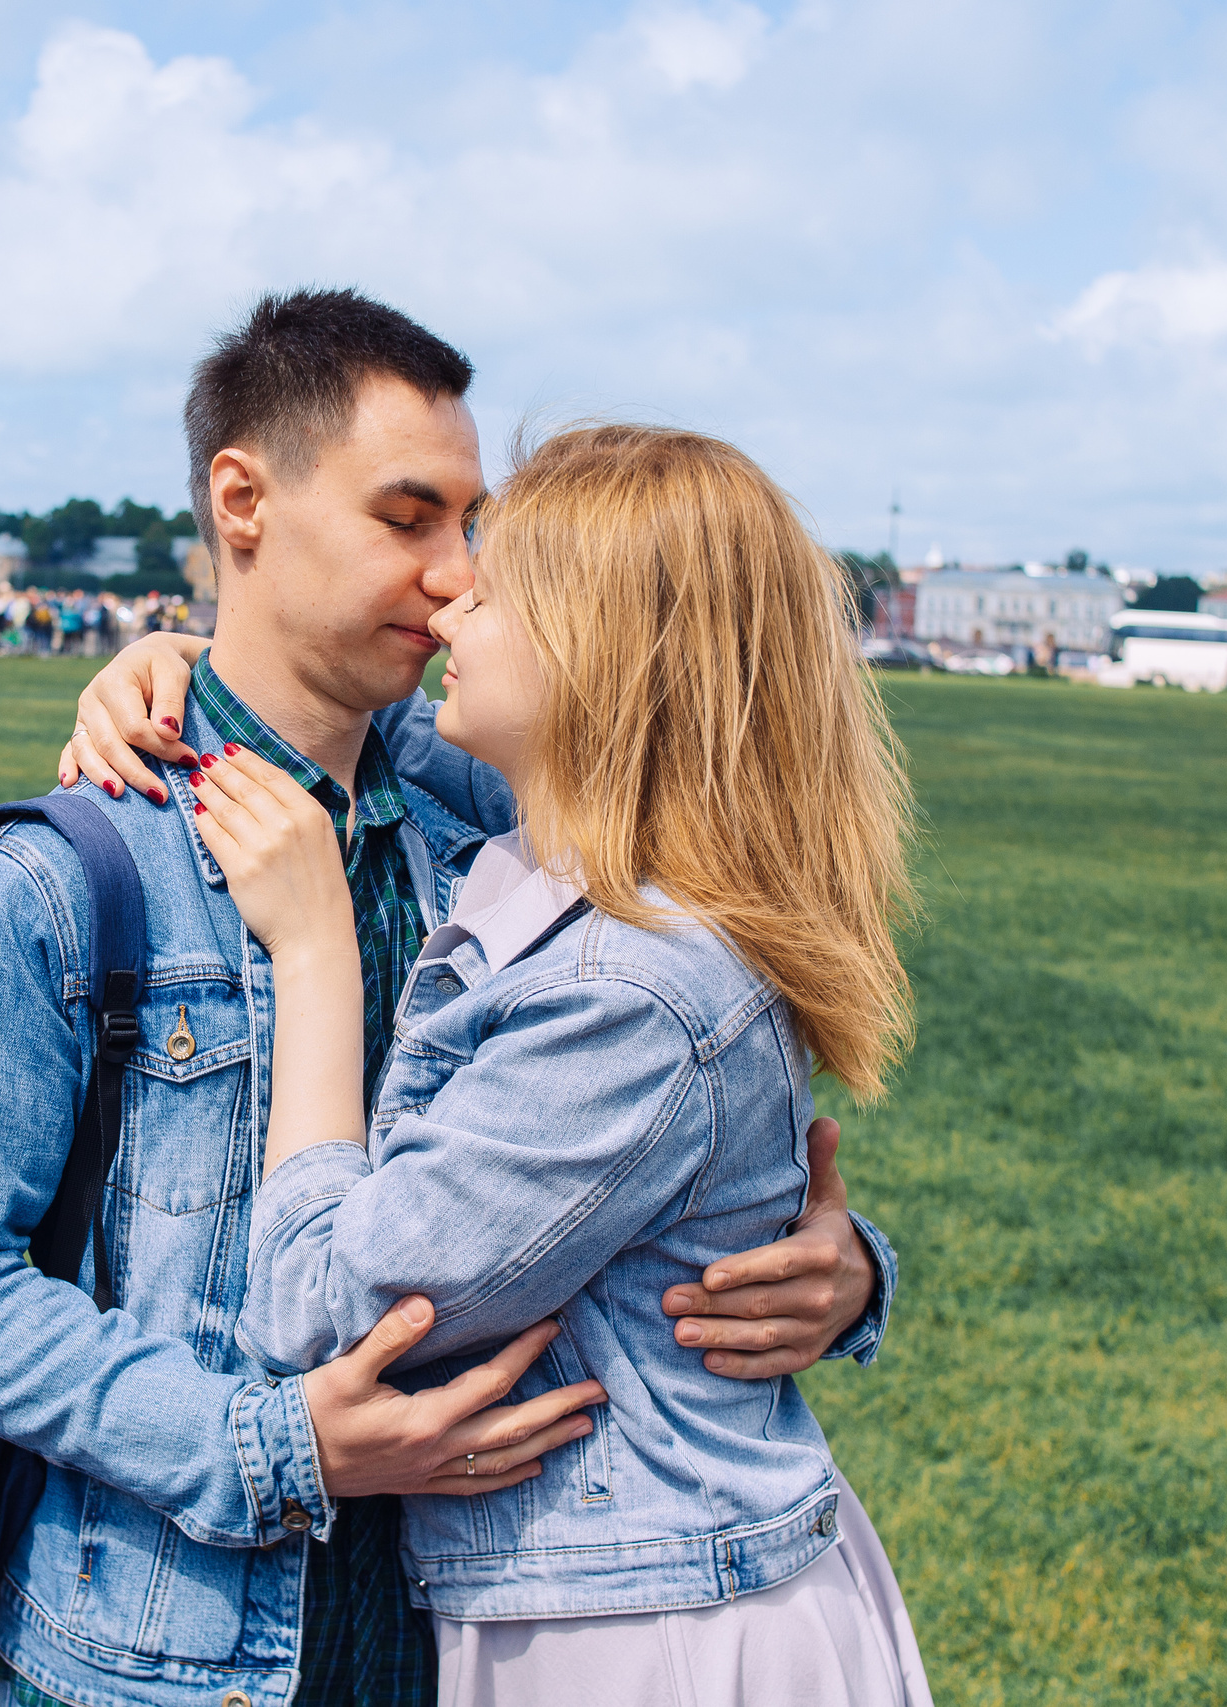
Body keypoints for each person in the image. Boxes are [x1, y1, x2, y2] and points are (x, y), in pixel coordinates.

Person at [0, 290, 893, 1707]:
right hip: (167, 1654)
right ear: (244, 501)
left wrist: (836, 1265)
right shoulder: (66, 873)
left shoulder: (491, 819)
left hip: (471, 1632)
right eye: (411, 518)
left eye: (476, 528)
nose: (459, 574)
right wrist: (264, 1442)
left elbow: (655, 1111)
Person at [172, 424, 932, 1704]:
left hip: (648, 1639)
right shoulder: (585, 874)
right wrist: (176, 669)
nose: (451, 590)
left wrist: (314, 959)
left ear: (606, 658)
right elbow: (329, 721)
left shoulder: (631, 994)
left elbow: (313, 1302)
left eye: (496, 577)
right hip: (645, 1601)